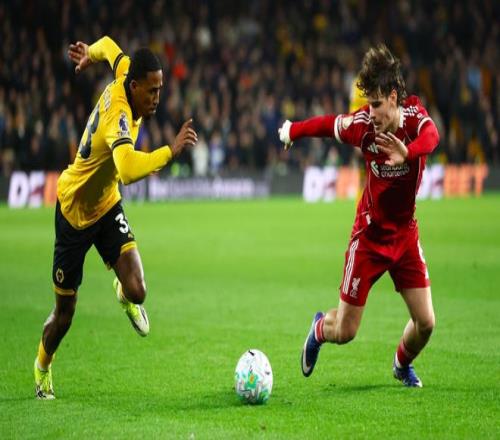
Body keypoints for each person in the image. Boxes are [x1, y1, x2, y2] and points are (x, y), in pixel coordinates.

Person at [34, 36, 198, 399]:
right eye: (152, 91)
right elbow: (126, 168)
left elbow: (109, 46)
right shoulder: (119, 117)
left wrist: (89, 55)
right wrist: (169, 151)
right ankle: (42, 366)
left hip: (106, 203)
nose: (157, 97)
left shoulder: (127, 71)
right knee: (65, 314)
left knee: (138, 290)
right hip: (74, 210)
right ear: (135, 87)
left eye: (160, 90)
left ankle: (123, 294)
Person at [278, 44, 439, 387]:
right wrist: (293, 130)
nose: (371, 111)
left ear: (393, 97)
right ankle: (319, 328)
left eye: (377, 104)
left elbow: (433, 136)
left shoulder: (414, 120)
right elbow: (328, 125)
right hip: (370, 238)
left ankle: (401, 365)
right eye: (369, 103)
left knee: (426, 323)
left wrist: (408, 152)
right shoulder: (364, 126)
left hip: (405, 236)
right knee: (345, 331)